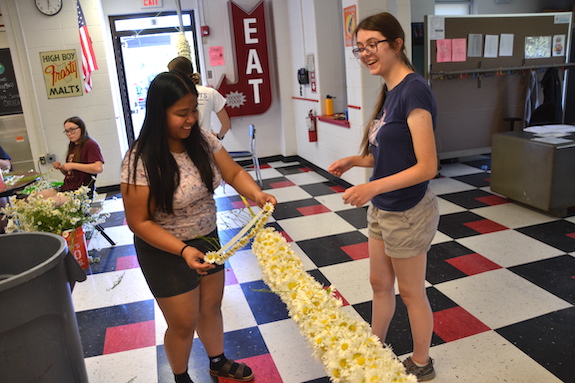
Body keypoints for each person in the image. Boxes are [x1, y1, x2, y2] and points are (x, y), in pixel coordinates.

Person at [121, 70, 276, 383]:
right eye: (181, 113)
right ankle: (180, 377)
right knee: (182, 322)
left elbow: (232, 173)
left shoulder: (202, 140)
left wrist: (257, 193)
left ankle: (217, 360)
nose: (191, 119)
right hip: (165, 249)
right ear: (158, 113)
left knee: (210, 306)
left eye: (193, 110)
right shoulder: (140, 160)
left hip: (207, 237)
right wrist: (182, 249)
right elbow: (138, 222)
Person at [328, 12, 439, 381]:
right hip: (384, 207)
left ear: (396, 43)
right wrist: (357, 161)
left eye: (372, 44)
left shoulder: (413, 90)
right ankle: (376, 345)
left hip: (407, 210)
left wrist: (371, 187)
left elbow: (426, 166)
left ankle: (422, 362)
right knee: (379, 284)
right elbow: (390, 154)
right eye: (360, 47)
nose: (365, 53)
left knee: (411, 292)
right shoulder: (391, 92)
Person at [167, 56, 231, 140]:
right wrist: (219, 136)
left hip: (183, 145)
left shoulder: (173, 95)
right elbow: (226, 125)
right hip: (206, 145)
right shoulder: (210, 92)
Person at [53, 116, 104, 197]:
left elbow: (98, 168)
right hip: (68, 188)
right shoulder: (73, 146)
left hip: (80, 191)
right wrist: (61, 168)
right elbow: (70, 173)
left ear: (81, 129)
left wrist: (73, 165)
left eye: (72, 130)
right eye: (66, 131)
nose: (69, 134)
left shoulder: (90, 144)